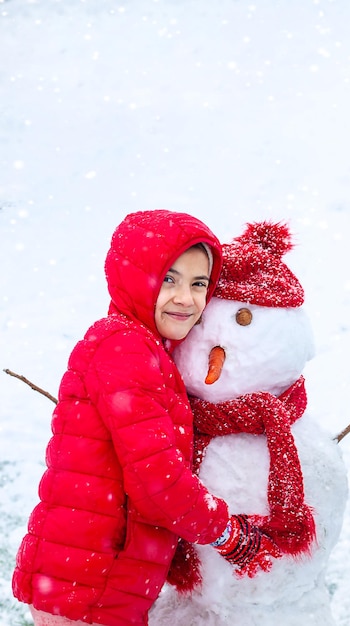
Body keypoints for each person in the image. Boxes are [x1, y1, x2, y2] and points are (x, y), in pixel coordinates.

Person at [12, 210, 279, 626]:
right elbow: (158, 480)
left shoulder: (144, 350)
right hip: (90, 584)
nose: (186, 298)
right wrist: (227, 533)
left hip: (91, 581)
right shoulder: (125, 349)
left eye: (198, 284)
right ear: (132, 277)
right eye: (169, 279)